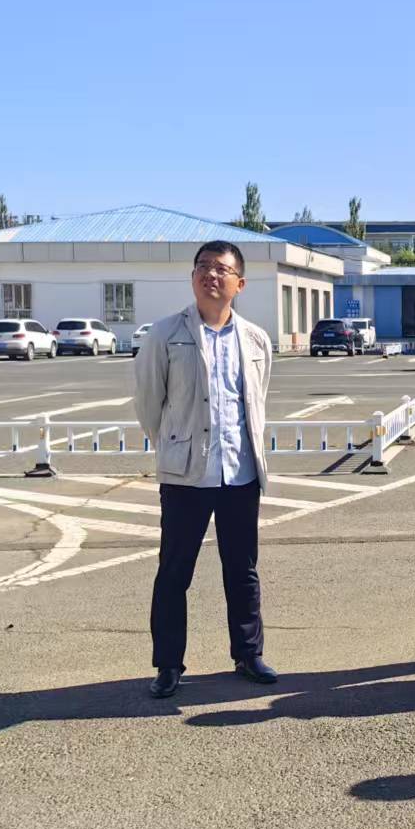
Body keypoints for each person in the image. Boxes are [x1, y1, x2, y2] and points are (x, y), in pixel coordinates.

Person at [133, 239, 276, 699]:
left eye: (221, 269)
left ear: (240, 283)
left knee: (243, 570)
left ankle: (248, 654)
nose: (210, 275)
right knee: (174, 572)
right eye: (203, 267)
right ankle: (168, 664)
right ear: (193, 276)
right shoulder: (165, 333)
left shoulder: (255, 339)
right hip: (186, 475)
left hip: (240, 472)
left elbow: (255, 400)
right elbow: (148, 403)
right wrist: (173, 446)